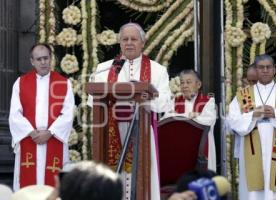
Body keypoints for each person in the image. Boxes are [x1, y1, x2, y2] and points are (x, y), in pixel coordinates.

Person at [88, 22, 171, 200]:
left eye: (134, 39)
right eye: (125, 39)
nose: (129, 43)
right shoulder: (104, 69)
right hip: (110, 129)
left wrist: (147, 102)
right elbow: (93, 102)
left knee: (141, 177)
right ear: (120, 43)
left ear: (143, 42)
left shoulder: (158, 70)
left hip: (142, 132)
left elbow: (165, 103)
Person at [227, 54, 276, 199]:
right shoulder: (242, 95)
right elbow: (232, 121)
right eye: (261, 67)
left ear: (274, 70)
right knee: (254, 193)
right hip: (252, 147)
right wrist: (253, 115)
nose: (265, 70)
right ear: (256, 70)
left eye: (268, 67)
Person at [9, 44, 74, 191]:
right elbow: (15, 114)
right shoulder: (21, 83)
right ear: (32, 61)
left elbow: (68, 113)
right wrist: (32, 132)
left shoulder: (64, 83)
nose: (43, 62)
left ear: (51, 58)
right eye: (39, 59)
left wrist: (50, 132)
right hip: (29, 138)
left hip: (53, 138)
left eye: (46, 58)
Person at [163, 69, 217, 171]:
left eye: (188, 82)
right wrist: (191, 115)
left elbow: (207, 121)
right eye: (182, 82)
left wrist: (177, 116)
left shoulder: (208, 101)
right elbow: (166, 119)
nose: (184, 86)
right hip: (179, 150)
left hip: (200, 150)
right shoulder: (174, 101)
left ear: (198, 84)